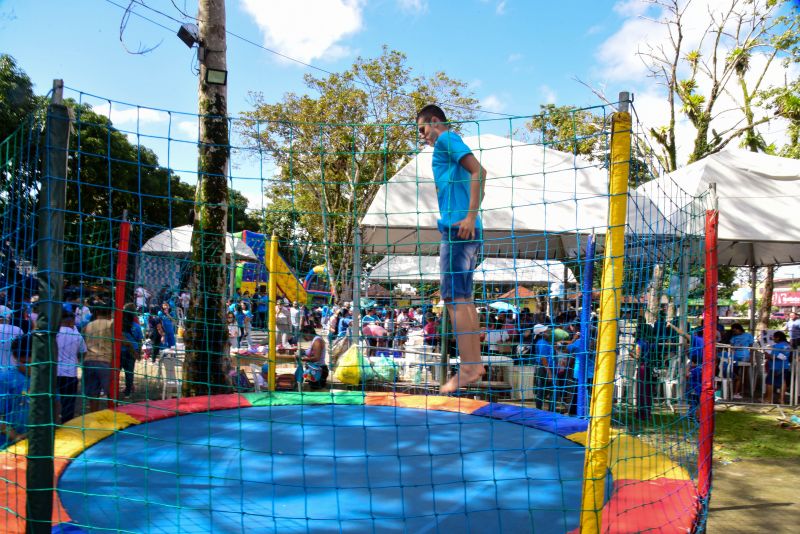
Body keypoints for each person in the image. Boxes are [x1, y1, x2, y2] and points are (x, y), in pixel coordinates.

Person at [416, 104, 487, 393]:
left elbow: (479, 172)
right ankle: (475, 364)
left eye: (423, 130)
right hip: (466, 230)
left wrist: (469, 215)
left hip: (459, 229)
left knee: (453, 299)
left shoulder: (445, 139)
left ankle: (470, 367)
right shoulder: (446, 145)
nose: (423, 137)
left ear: (435, 122)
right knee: (464, 299)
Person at [81, 303, 114, 413]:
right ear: (110, 312)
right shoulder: (111, 324)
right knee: (111, 393)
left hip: (89, 361)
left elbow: (83, 344)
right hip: (104, 361)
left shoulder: (88, 326)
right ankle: (112, 416)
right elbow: (119, 339)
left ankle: (93, 416)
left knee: (93, 394)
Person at [56, 306, 87, 422]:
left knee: (52, 400)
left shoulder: (55, 333)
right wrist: (76, 360)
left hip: (54, 372)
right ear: (71, 321)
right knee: (68, 402)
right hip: (70, 373)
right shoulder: (77, 335)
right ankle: (66, 425)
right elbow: (84, 352)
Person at [0, 335, 31, 448]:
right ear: (15, 357)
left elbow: (56, 403)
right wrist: (15, 436)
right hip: (8, 445)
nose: (30, 367)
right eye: (25, 363)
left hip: (36, 440)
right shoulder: (5, 379)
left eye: (35, 364)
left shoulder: (45, 378)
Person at [120, 303, 143, 399]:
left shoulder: (119, 325)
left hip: (121, 351)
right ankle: (128, 392)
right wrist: (139, 353)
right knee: (129, 372)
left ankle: (114, 390)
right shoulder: (136, 326)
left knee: (117, 370)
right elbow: (139, 340)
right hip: (133, 351)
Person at [532, 324, 555, 410]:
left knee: (543, 390)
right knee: (550, 390)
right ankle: (549, 410)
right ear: (541, 333)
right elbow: (543, 358)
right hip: (544, 369)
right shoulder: (542, 343)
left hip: (543, 368)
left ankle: (541, 409)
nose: (548, 331)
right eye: (545, 331)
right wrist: (549, 373)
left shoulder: (543, 342)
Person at [728, 323, 753, 399]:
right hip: (735, 357)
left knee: (744, 374)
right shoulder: (733, 337)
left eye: (735, 331)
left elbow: (751, 347)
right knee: (735, 374)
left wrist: (751, 358)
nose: (735, 333)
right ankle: (734, 390)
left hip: (745, 356)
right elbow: (731, 346)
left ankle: (741, 390)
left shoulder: (748, 335)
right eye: (733, 332)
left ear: (739, 329)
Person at [765, 330, 791, 403]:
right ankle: (781, 399)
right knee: (783, 382)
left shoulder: (777, 346)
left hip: (775, 366)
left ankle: (768, 399)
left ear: (778, 338)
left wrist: (767, 354)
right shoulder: (788, 345)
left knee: (769, 382)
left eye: (774, 337)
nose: (773, 339)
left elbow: (773, 356)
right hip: (785, 366)